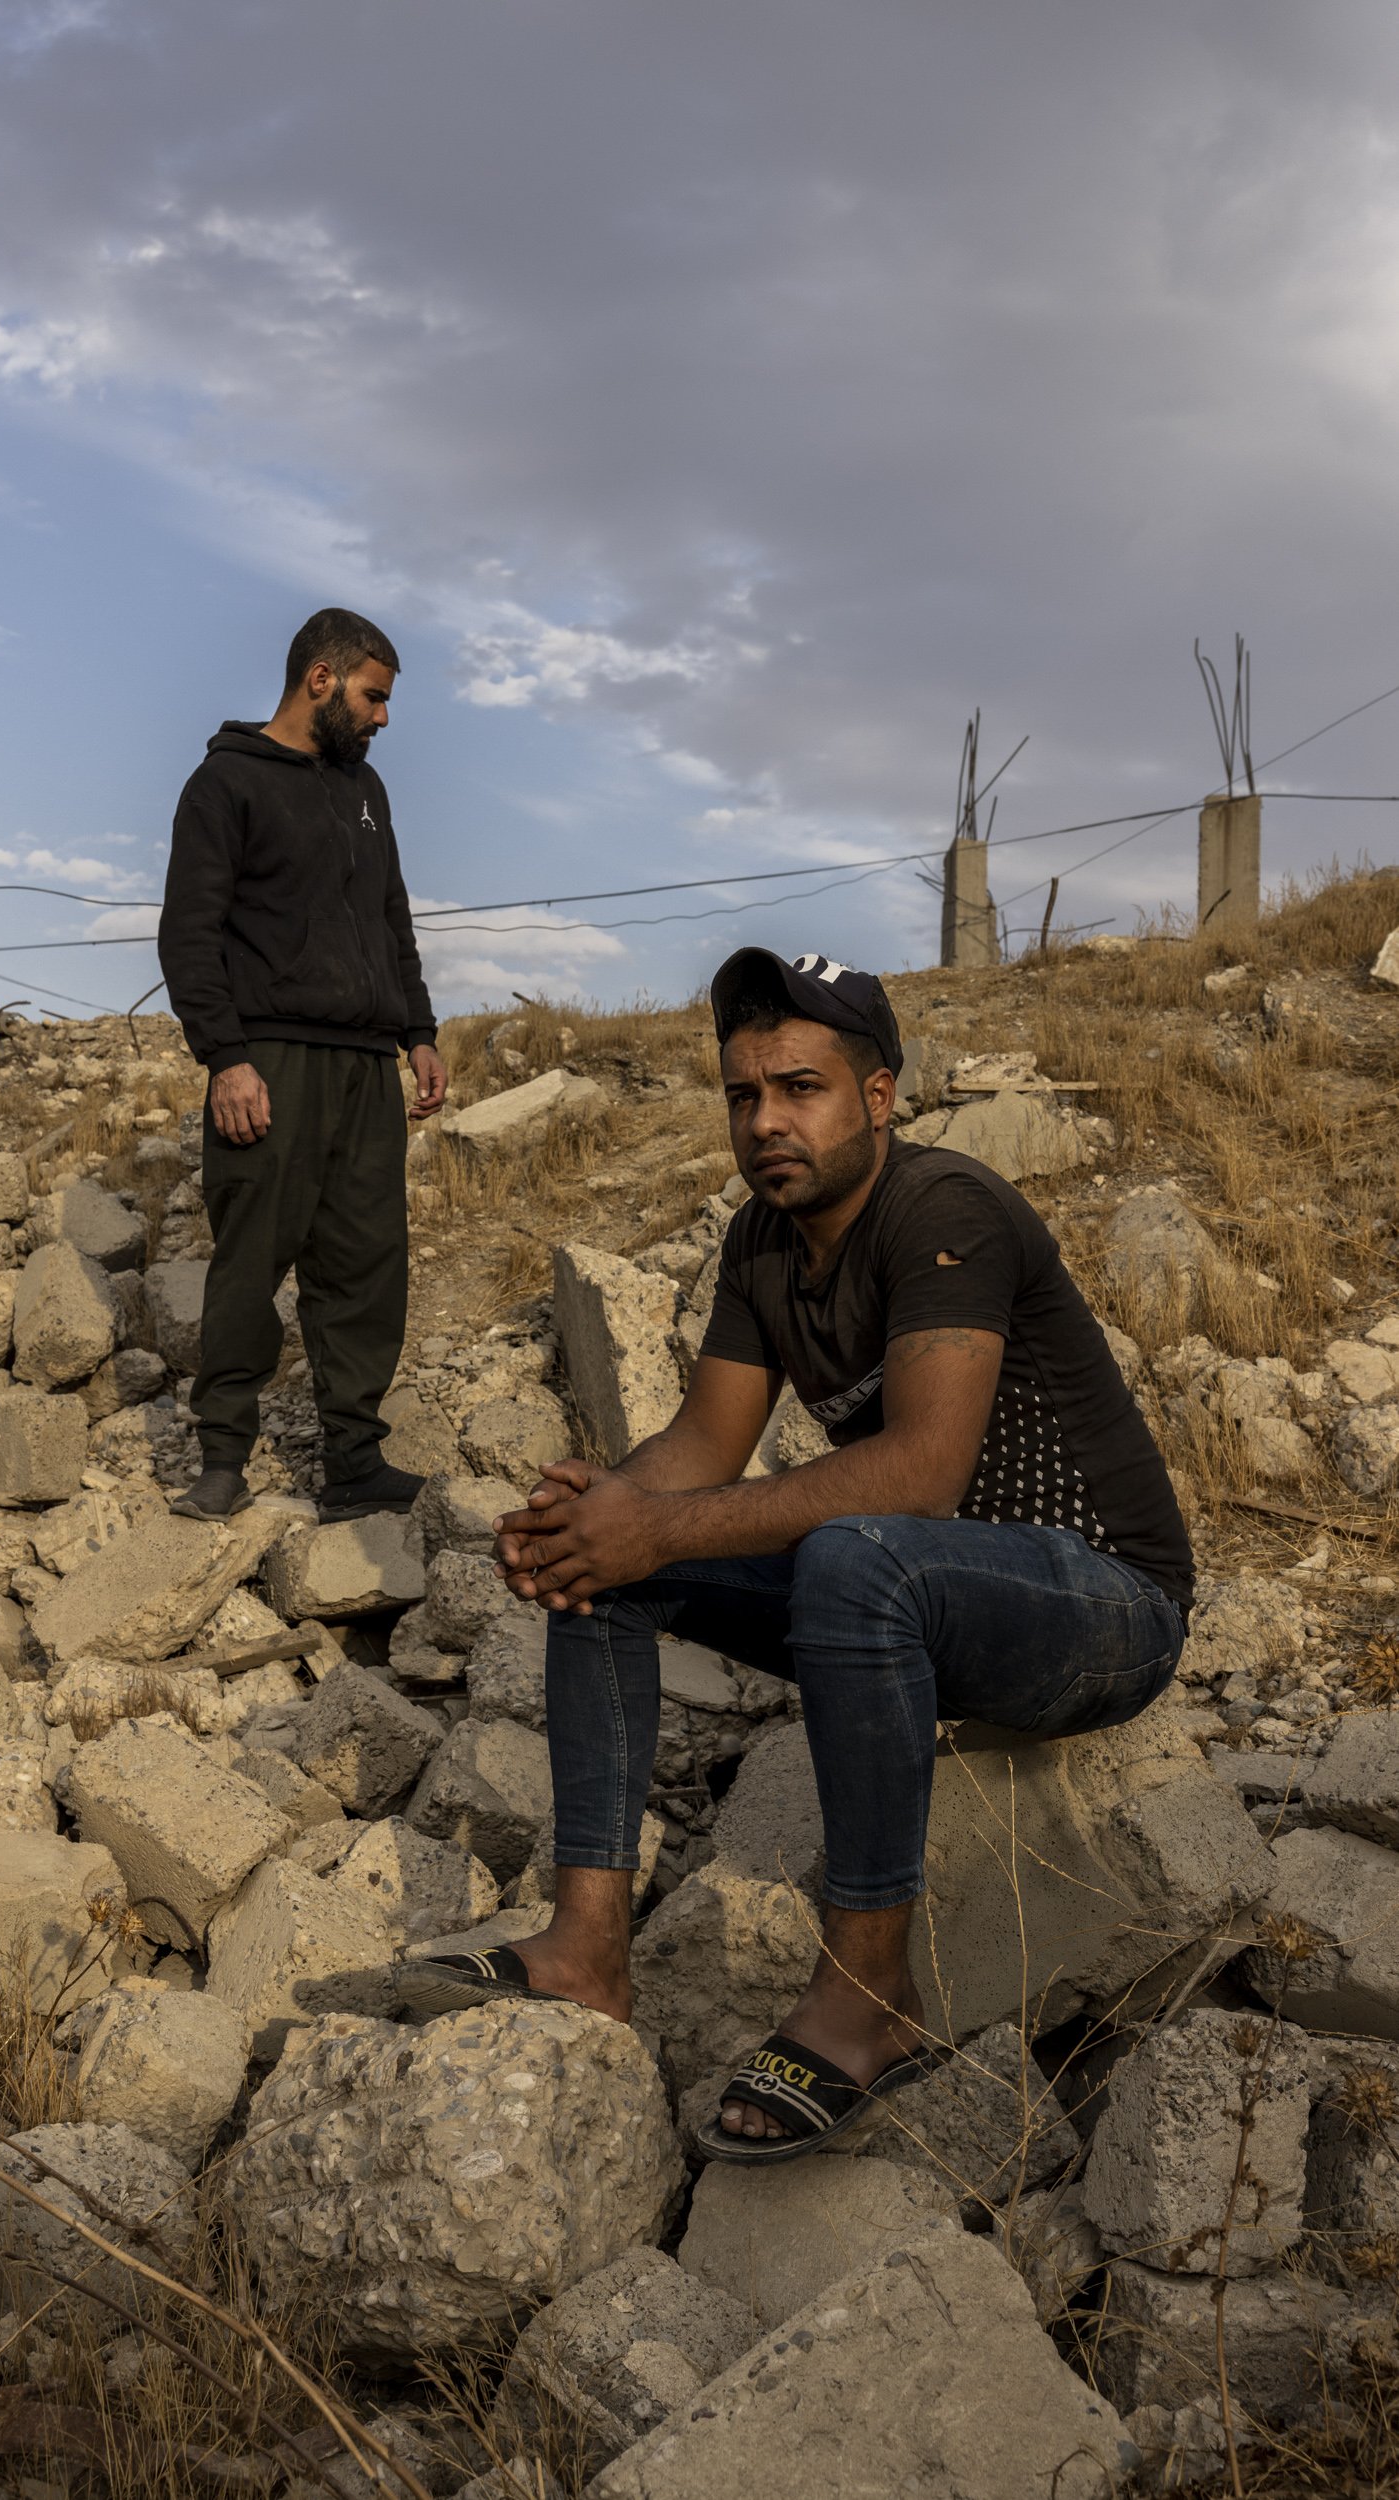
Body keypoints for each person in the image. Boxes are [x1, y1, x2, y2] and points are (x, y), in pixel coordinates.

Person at [400, 944, 1193, 2165]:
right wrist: (600, 1515)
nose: (765, 1121)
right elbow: (704, 1445)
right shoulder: (760, 1245)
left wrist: (655, 1523)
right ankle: (585, 1947)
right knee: (605, 1571)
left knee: (849, 1555)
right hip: (913, 1589)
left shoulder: (942, 1208)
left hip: (1094, 1603)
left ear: (877, 1096)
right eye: (741, 1094)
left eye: (799, 1089)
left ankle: (869, 1995)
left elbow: (920, 1470)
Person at [157, 608, 447, 1525]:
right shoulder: (224, 783)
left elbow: (391, 920)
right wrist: (226, 1058)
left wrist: (420, 1032)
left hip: (366, 1067)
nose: (383, 719)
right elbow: (188, 934)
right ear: (319, 680)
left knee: (366, 1264)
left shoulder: (368, 793)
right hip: (271, 1062)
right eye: (373, 697)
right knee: (250, 1262)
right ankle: (222, 1459)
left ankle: (354, 1463)